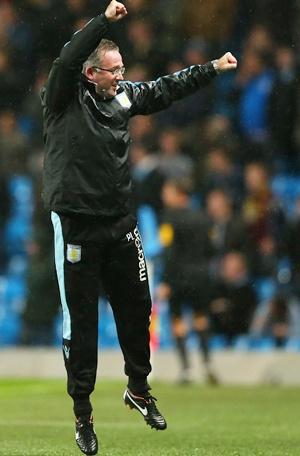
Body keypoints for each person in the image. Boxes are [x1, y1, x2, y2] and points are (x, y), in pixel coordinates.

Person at [41, 1, 237, 454]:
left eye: (122, 68)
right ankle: (83, 417)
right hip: (75, 227)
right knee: (82, 325)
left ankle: (138, 390)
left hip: (119, 223)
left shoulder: (123, 96)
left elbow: (166, 89)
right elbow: (69, 57)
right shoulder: (63, 97)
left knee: (138, 309)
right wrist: (103, 22)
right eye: (112, 70)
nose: (121, 76)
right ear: (91, 74)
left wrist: (210, 68)